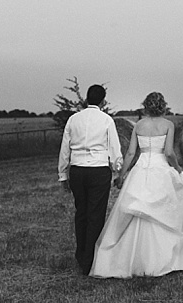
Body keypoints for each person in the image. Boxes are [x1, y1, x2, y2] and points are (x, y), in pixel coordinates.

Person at [90, 92, 183, 278]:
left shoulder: (139, 125)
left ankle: (133, 259)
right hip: (160, 168)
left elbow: (131, 153)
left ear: (146, 105)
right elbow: (169, 153)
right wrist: (178, 168)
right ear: (163, 106)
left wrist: (122, 175)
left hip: (141, 169)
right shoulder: (168, 125)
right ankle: (162, 260)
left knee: (137, 211)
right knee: (164, 211)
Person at [58, 84, 123, 275]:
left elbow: (64, 149)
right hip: (98, 170)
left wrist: (63, 174)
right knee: (96, 214)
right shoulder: (106, 120)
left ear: (86, 98)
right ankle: (90, 260)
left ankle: (81, 255)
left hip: (77, 170)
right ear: (103, 101)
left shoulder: (73, 119)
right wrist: (117, 170)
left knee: (82, 212)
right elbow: (115, 148)